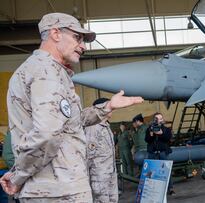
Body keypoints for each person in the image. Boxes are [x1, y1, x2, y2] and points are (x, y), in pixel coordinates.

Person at [0, 12, 143, 202]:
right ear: (56, 34)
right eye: (77, 37)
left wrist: (107, 107)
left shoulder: (50, 71)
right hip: (56, 191)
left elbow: (68, 122)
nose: (83, 46)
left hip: (60, 188)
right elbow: (47, 134)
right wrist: (18, 177)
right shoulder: (45, 72)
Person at [85, 98, 118, 203]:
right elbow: (88, 155)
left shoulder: (106, 125)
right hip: (99, 176)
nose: (112, 110)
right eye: (109, 107)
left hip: (111, 172)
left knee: (113, 200)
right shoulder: (93, 127)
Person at [145, 113, 174, 195]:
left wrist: (161, 134)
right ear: (154, 120)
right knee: (151, 172)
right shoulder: (149, 129)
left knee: (167, 171)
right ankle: (154, 190)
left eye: (161, 118)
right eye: (157, 119)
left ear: (162, 119)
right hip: (152, 153)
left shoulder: (166, 129)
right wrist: (151, 134)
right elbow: (147, 140)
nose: (159, 120)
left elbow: (168, 138)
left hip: (163, 153)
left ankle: (170, 188)